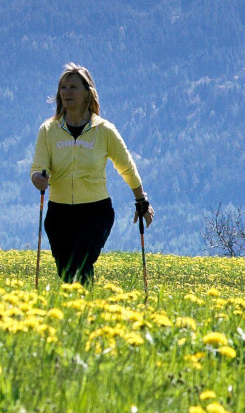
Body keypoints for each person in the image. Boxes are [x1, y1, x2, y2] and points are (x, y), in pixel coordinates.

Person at [28, 62, 153, 284]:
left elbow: (127, 167)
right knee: (67, 274)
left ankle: (84, 313)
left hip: (95, 212)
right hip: (59, 214)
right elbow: (38, 166)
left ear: (88, 93)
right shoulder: (48, 130)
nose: (66, 92)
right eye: (63, 87)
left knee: (80, 266)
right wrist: (37, 178)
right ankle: (83, 314)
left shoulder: (104, 130)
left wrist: (141, 200)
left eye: (73, 87)